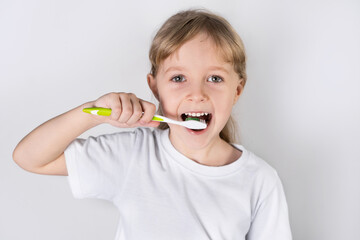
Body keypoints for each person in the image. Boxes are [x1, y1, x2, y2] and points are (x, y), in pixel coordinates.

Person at [13, 8, 292, 240]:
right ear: (155, 88)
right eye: (178, 78)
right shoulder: (133, 154)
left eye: (215, 78)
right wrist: (92, 112)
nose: (197, 93)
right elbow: (29, 158)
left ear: (237, 90)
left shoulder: (260, 181)